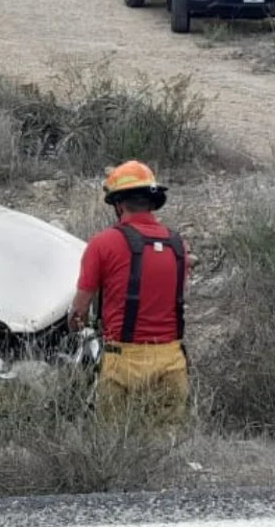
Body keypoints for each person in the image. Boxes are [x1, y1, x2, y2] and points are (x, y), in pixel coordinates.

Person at [69, 160, 192, 426]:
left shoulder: (102, 244)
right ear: (153, 202)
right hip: (172, 361)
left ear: (119, 205)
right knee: (164, 449)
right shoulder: (179, 245)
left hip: (124, 363)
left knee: (116, 447)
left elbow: (79, 311)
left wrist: (76, 326)